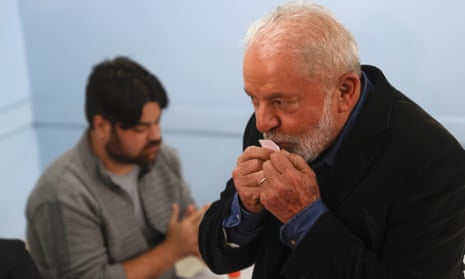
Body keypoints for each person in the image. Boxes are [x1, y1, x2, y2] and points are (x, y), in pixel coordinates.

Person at [198, 1, 465, 279]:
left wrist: (305, 219)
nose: (262, 121)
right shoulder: (265, 126)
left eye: (281, 101)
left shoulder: (436, 163)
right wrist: (245, 208)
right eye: (253, 98)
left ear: (345, 92)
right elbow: (218, 257)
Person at [26, 56, 209, 279]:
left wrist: (206, 238)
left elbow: (189, 228)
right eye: (141, 128)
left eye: (157, 122)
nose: (156, 136)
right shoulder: (63, 193)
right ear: (102, 126)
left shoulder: (163, 159)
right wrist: (171, 251)